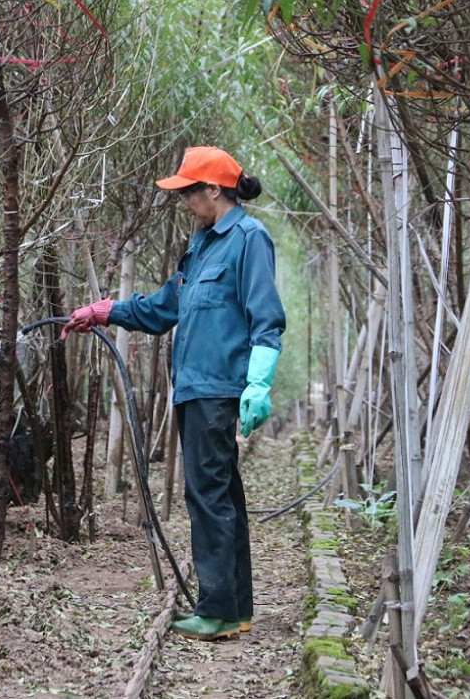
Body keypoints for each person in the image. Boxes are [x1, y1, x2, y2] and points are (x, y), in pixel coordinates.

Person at [60, 146, 286, 641]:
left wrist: (258, 382)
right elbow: (162, 310)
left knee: (208, 497)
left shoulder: (248, 238)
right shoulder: (201, 245)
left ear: (214, 190)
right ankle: (232, 608)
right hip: (195, 389)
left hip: (218, 388)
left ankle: (217, 610)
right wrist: (104, 311)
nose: (184, 200)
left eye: (189, 191)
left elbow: (266, 316)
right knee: (219, 495)